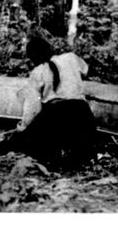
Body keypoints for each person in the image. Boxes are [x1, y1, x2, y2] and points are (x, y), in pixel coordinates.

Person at [13, 35, 97, 169]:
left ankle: (55, 158)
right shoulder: (71, 58)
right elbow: (86, 70)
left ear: (33, 57)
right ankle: (78, 156)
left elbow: (33, 107)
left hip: (57, 115)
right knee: (82, 149)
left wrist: (23, 127)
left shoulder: (38, 72)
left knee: (25, 141)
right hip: (82, 114)